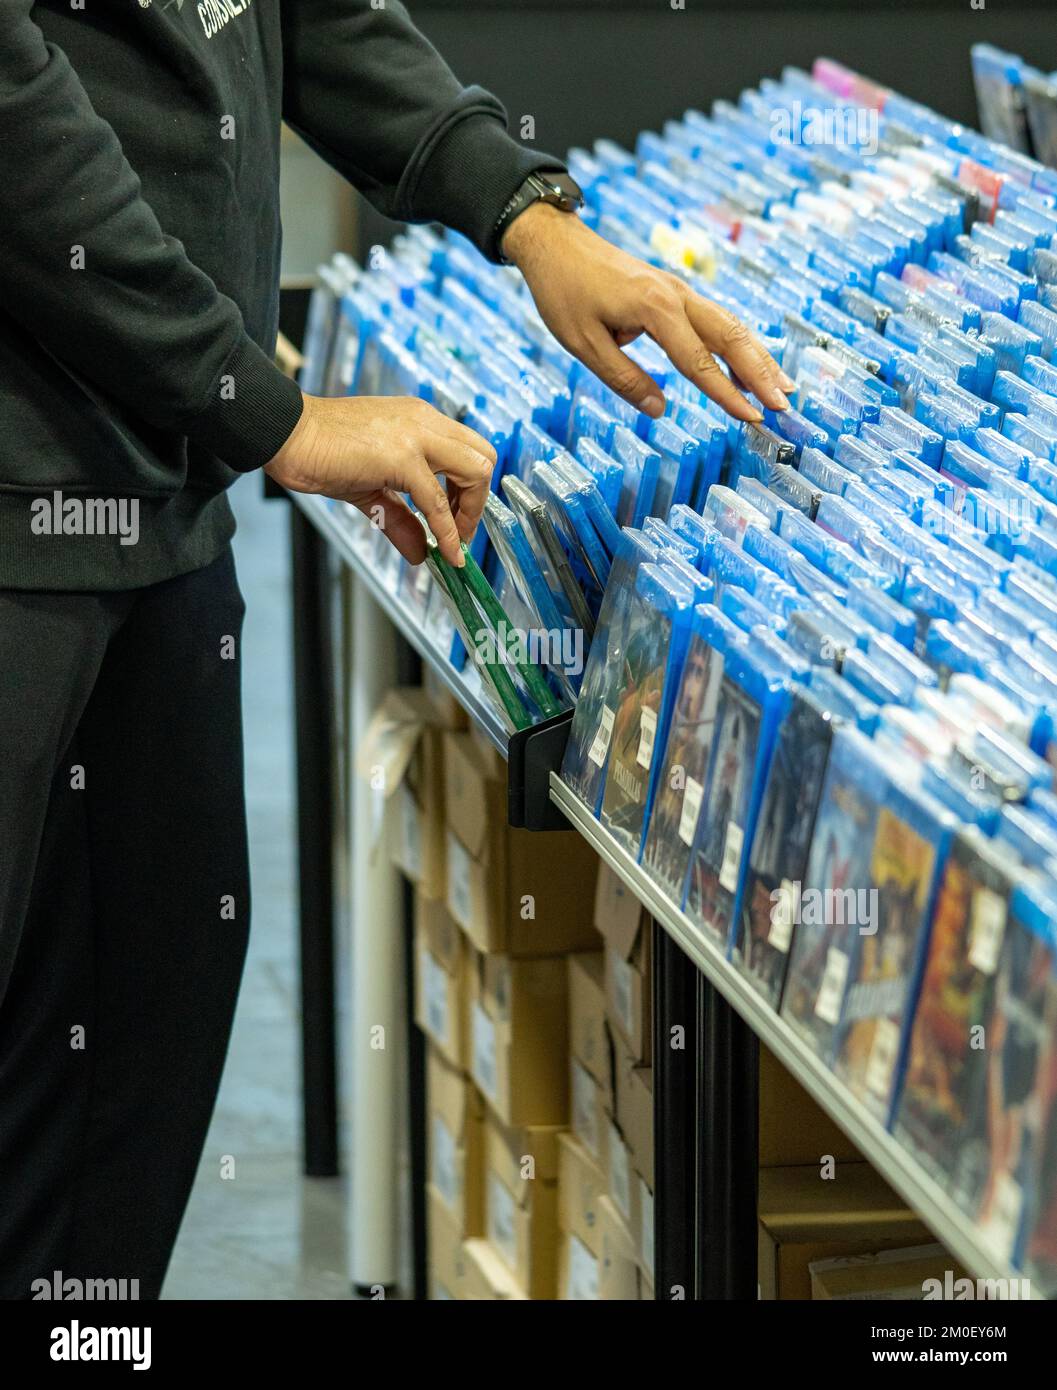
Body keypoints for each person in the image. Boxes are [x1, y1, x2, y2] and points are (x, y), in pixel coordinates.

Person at [0, 0, 790, 1300]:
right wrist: (271, 414)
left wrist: (529, 219)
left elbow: (302, 15)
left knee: (141, 1039)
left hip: (160, 493)